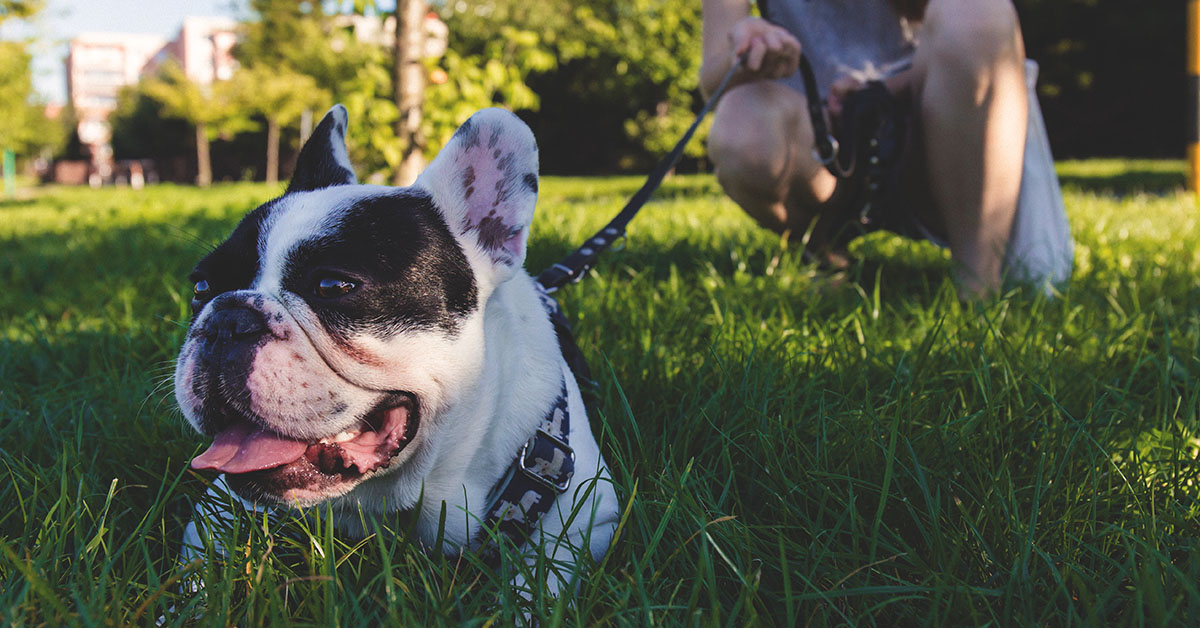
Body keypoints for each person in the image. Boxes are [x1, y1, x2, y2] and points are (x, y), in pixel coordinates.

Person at [701, 0, 1071, 298]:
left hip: (927, 125)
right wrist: (745, 51)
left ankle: (978, 287)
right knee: (740, 125)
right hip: (820, 139)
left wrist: (877, 94)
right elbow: (711, 84)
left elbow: (983, 38)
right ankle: (823, 248)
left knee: (979, 9)